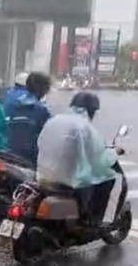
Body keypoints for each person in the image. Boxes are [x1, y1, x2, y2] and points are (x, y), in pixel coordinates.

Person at [35, 91, 120, 224]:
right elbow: (98, 160)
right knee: (109, 178)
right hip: (68, 180)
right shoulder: (85, 128)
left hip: (43, 175)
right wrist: (114, 154)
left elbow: (40, 142)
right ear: (91, 110)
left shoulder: (54, 120)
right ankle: (92, 220)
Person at [5, 72, 53, 165]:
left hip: (7, 153)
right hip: (29, 158)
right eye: (47, 88)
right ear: (43, 89)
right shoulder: (41, 110)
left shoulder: (10, 102)